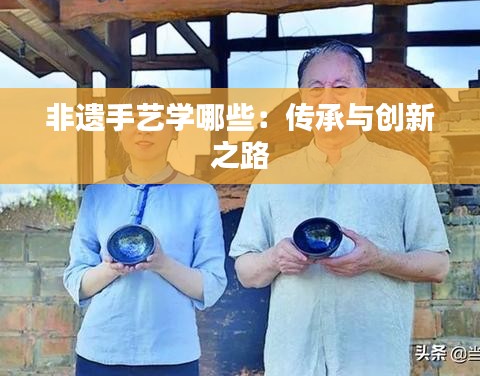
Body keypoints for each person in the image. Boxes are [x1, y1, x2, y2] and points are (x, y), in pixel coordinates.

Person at [229, 41, 450, 376]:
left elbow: (438, 265)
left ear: (362, 95)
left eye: (341, 87)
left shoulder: (405, 171)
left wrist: (379, 259)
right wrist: (274, 258)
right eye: (316, 88)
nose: (328, 99)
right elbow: (246, 272)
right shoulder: (273, 176)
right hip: (293, 364)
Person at [64, 85, 227, 376]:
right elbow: (76, 280)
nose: (144, 129)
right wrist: (110, 269)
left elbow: (211, 285)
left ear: (175, 129)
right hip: (101, 352)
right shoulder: (97, 194)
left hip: (172, 355)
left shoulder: (200, 194)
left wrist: (163, 264)